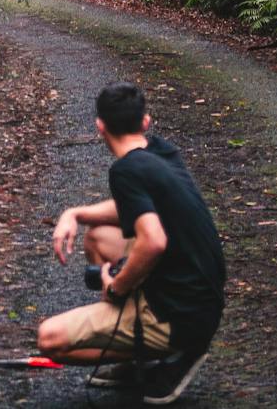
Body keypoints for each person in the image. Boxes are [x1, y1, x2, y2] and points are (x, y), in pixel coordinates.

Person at [39, 80, 225, 404]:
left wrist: (118, 286)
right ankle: (131, 360)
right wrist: (76, 213)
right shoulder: (158, 151)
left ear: (100, 126)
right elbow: (137, 208)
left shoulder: (126, 170)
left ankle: (168, 352)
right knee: (97, 237)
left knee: (49, 339)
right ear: (145, 122)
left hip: (179, 316)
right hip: (203, 300)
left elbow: (153, 240)